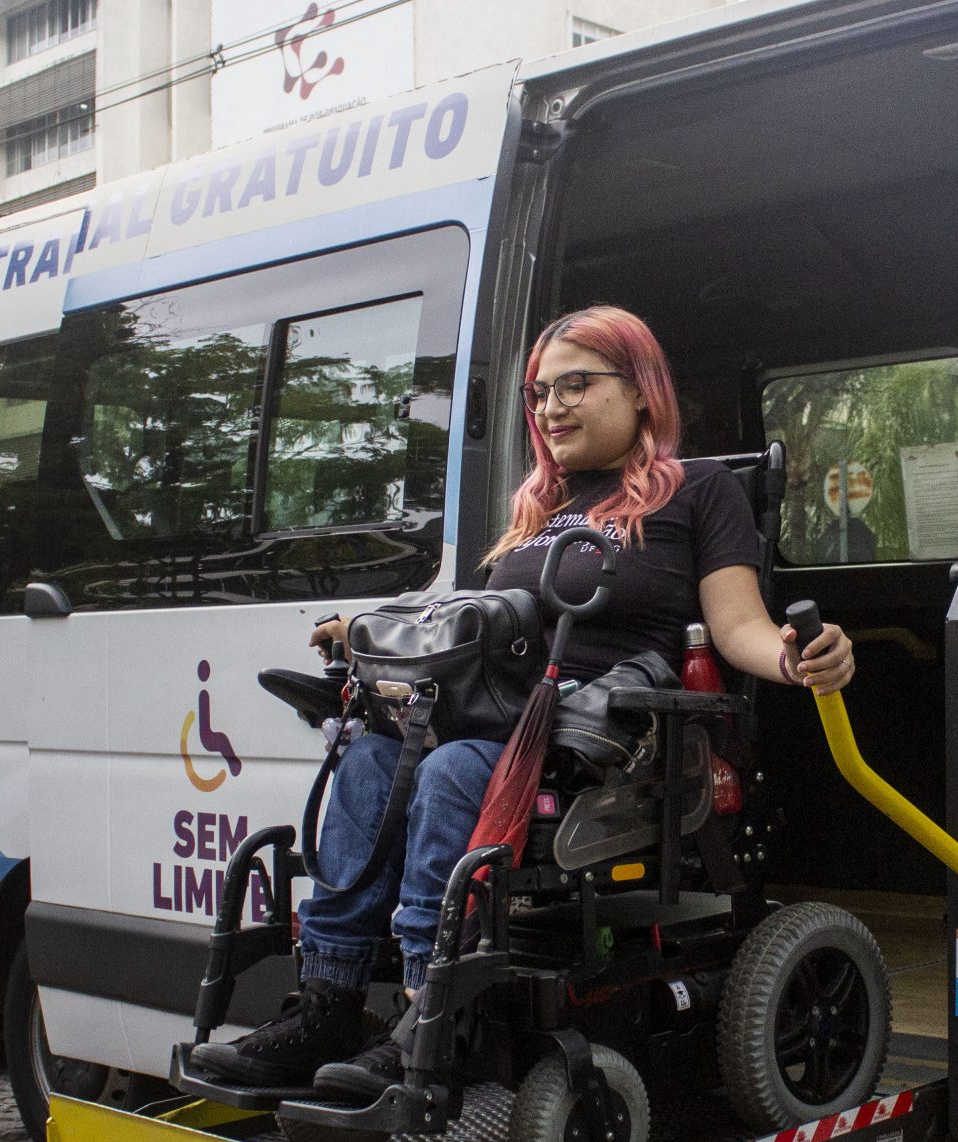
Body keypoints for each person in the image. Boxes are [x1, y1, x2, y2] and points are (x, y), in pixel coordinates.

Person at [189, 304, 856, 1095]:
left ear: (642, 389)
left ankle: (425, 1015)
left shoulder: (699, 493)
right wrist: (368, 631)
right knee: (368, 759)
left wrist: (797, 656)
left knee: (450, 771)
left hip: (596, 735)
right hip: (500, 719)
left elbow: (739, 625)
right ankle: (329, 1002)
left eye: (576, 384)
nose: (552, 407)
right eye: (540, 393)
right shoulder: (538, 508)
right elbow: (477, 627)